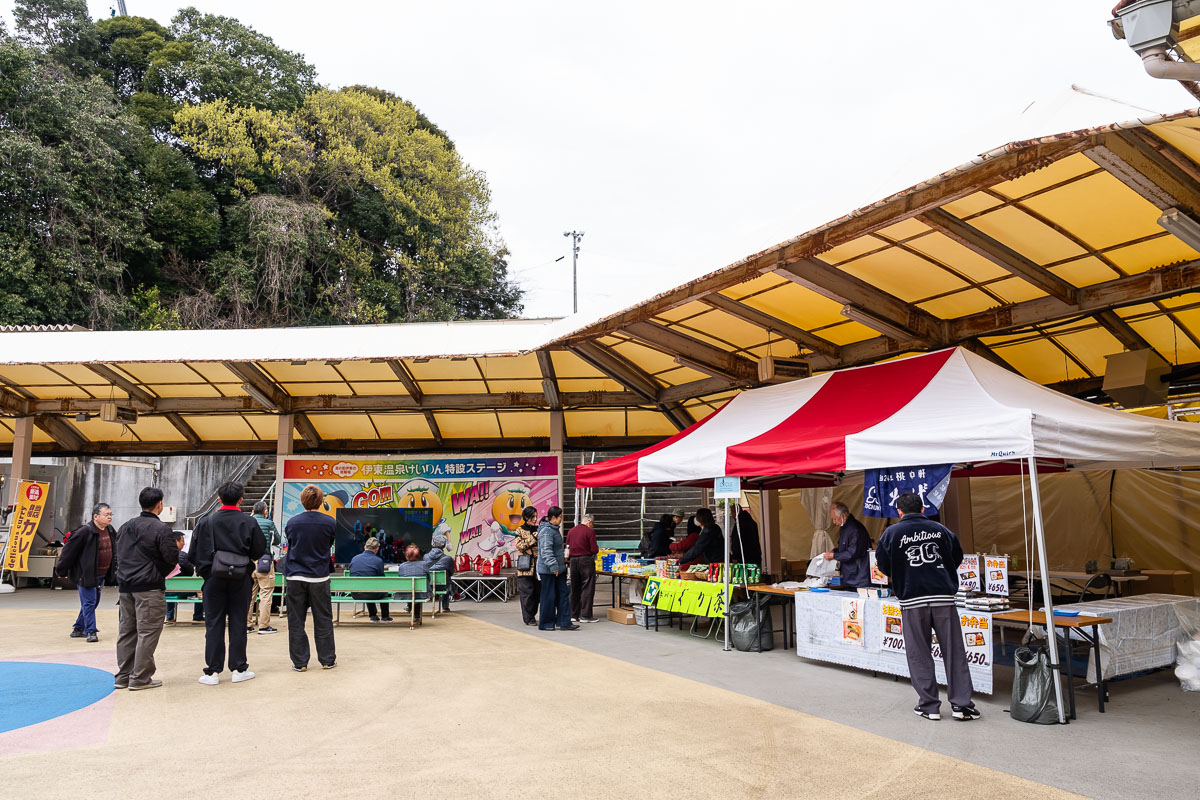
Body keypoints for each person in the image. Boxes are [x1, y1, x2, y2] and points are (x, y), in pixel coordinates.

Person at [874, 492, 979, 722]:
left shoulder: (891, 533)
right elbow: (957, 556)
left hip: (912, 601)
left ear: (899, 512)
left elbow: (882, 565)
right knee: (954, 652)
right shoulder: (941, 530)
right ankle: (962, 705)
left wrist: (903, 573)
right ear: (923, 509)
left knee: (919, 653)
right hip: (943, 599)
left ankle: (929, 706)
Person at [189, 481, 265, 686]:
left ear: (219, 499)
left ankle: (212, 672)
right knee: (239, 622)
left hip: (213, 579)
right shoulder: (249, 522)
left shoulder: (206, 522)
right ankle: (239, 668)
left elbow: (193, 554)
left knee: (213, 623)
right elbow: (259, 550)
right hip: (240, 579)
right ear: (241, 499)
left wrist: (207, 571)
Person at [113, 487, 178, 691]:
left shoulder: (125, 527)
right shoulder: (161, 529)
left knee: (127, 631)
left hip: (125, 587)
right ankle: (140, 677)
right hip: (149, 588)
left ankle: (123, 676)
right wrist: (159, 572)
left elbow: (118, 555)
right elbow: (171, 558)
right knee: (147, 632)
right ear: (160, 504)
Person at [284, 484, 338, 671]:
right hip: (319, 576)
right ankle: (327, 660)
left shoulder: (292, 523)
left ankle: (300, 663)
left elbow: (291, 543)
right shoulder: (330, 522)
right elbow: (329, 543)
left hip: (295, 576)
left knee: (296, 621)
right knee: (323, 618)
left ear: (302, 501)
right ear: (321, 501)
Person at [55, 503, 117, 642]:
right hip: (86, 574)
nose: (110, 517)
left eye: (110, 514)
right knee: (89, 602)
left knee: (93, 602)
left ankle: (78, 628)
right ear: (96, 516)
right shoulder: (84, 532)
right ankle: (91, 631)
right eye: (106, 515)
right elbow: (68, 552)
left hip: (101, 574)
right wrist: (61, 570)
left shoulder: (110, 530)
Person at [536, 506, 577, 631]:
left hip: (559, 569)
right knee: (549, 596)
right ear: (553, 517)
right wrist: (554, 566)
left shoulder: (554, 530)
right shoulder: (547, 532)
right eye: (560, 517)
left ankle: (564, 622)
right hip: (549, 571)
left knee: (563, 594)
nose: (561, 519)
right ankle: (546, 623)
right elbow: (546, 551)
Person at [247, 501, 279, 635]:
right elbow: (277, 539)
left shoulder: (247, 522)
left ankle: (247, 625)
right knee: (266, 594)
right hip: (264, 561)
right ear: (265, 511)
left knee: (249, 594)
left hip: (248, 563)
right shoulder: (269, 523)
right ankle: (264, 626)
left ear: (253, 511)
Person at [824, 502, 870, 589]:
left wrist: (834, 555)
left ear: (843, 516)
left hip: (859, 578)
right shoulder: (845, 528)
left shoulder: (855, 529)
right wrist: (834, 551)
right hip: (849, 576)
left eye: (835, 519)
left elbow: (852, 552)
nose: (834, 522)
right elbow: (844, 549)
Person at [566, 513, 599, 623]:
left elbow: (567, 547)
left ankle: (573, 614)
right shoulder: (590, 532)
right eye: (592, 523)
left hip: (573, 561)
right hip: (586, 560)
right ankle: (585, 615)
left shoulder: (571, 531)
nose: (592, 525)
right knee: (587, 587)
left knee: (574, 587)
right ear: (589, 521)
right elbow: (594, 549)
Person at [349, 537, 391, 622]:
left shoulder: (354, 558)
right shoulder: (378, 561)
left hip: (355, 594)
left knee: (368, 588)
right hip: (372, 594)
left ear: (365, 547)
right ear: (377, 549)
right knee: (380, 590)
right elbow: (382, 580)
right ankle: (385, 617)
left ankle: (373, 616)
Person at [165, 532, 203, 624]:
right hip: (182, 590)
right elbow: (190, 571)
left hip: (166, 590)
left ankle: (170, 616)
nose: (184, 543)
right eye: (182, 541)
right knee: (200, 590)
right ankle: (198, 616)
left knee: (171, 590)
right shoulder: (183, 556)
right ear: (176, 541)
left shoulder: (163, 555)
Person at [514, 506, 540, 626]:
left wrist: (528, 547)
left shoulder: (539, 529)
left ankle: (532, 614)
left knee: (537, 593)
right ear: (526, 517)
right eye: (532, 516)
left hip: (538, 567)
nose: (535, 519)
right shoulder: (519, 530)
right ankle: (528, 618)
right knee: (527, 593)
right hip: (525, 567)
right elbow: (519, 545)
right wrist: (533, 538)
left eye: (536, 516)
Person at [396, 543, 431, 626]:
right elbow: (428, 578)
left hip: (405, 593)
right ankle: (417, 616)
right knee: (417, 590)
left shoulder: (402, 566)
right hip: (421, 593)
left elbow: (401, 579)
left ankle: (409, 605)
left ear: (406, 555)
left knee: (411, 589)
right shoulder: (424, 565)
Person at [423, 534, 454, 612]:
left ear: (432, 544)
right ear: (444, 545)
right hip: (442, 586)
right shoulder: (448, 558)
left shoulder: (425, 557)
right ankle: (445, 606)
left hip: (428, 585)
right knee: (448, 580)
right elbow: (451, 573)